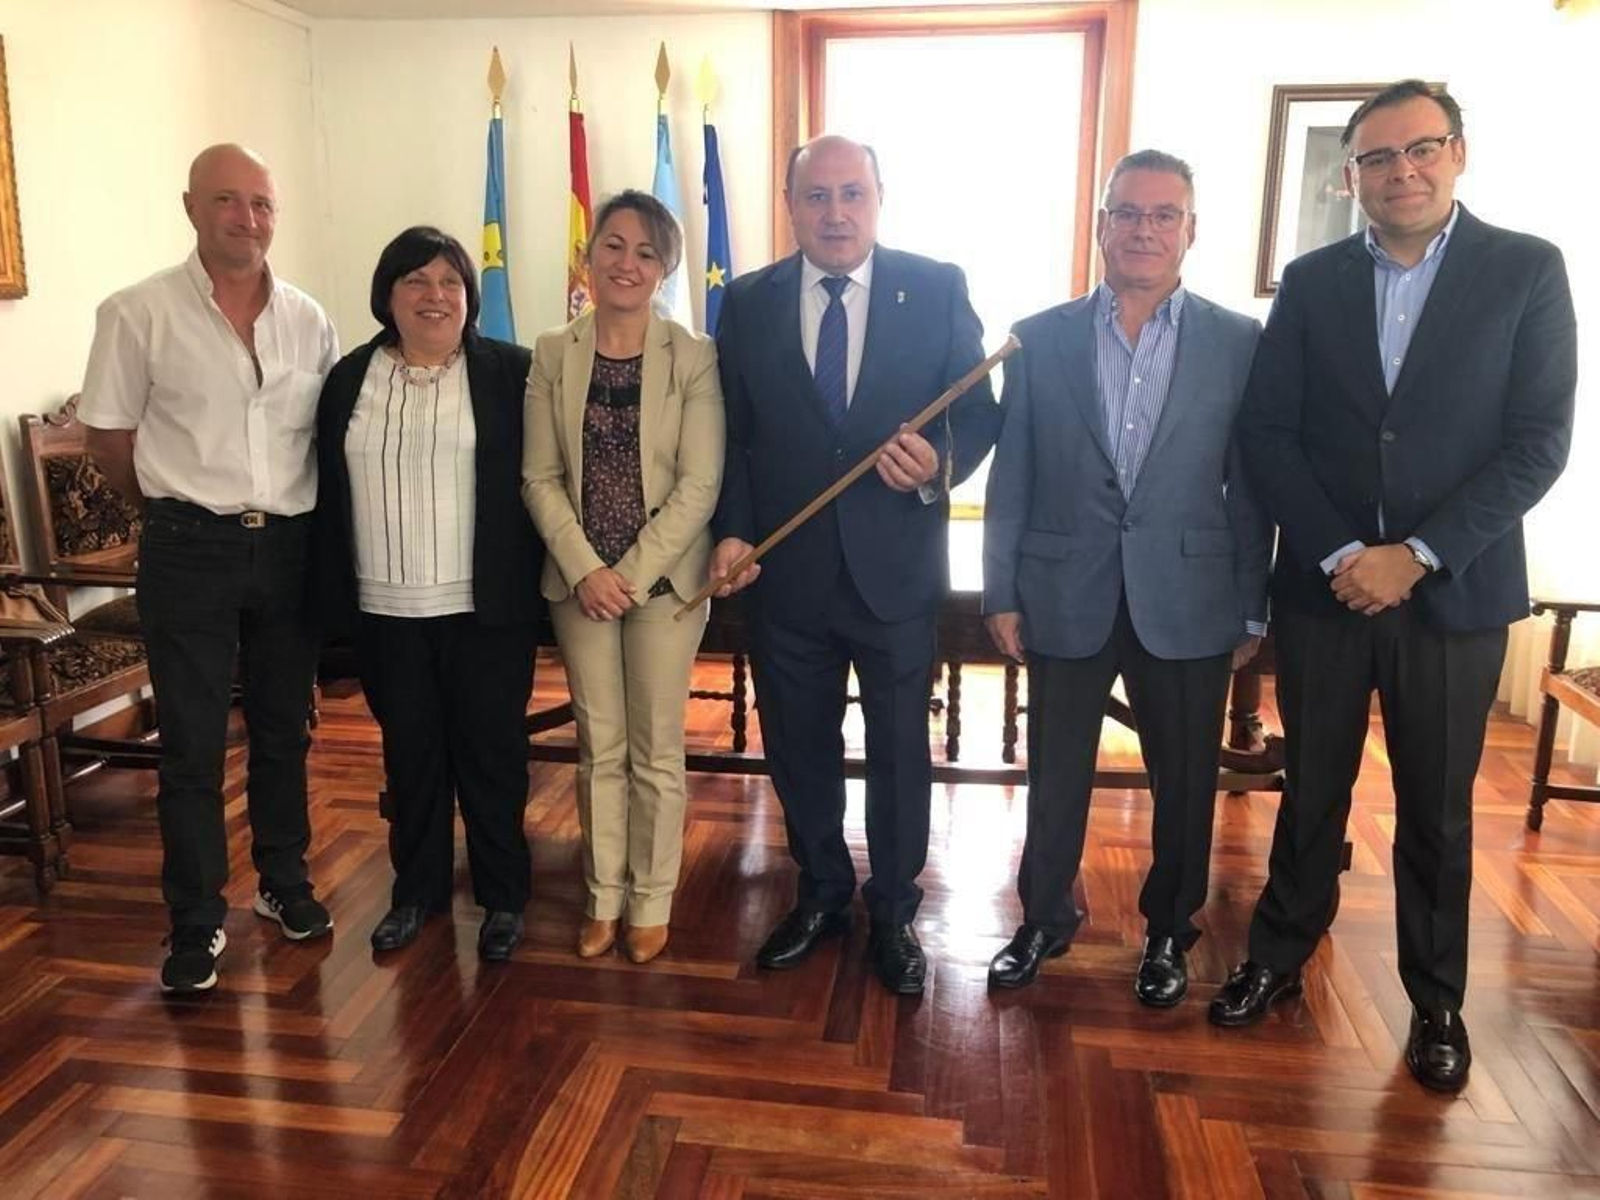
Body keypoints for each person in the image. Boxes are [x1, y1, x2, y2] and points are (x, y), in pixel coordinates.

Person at [1211, 81, 1577, 1093]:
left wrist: (1413, 554)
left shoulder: (1525, 270)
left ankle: (1435, 1003)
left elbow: (1536, 443)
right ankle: (1276, 959)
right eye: (1378, 157)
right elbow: (1269, 433)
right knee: (1309, 791)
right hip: (1323, 591)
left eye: (1420, 149)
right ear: (1351, 174)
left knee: (1436, 812)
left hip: (1452, 598)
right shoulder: (1312, 277)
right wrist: (1340, 553)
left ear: (1456, 154)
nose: (1400, 171)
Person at [711, 135, 1001, 995]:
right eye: (816, 196)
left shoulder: (937, 285)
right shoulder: (749, 302)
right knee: (797, 747)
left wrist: (940, 462)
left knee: (901, 753)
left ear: (879, 198)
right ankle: (821, 891)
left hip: (895, 571)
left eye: (851, 194)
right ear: (790, 204)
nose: (835, 213)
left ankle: (895, 910)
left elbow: (978, 413)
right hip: (786, 574)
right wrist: (730, 530)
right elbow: (732, 433)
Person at [982, 150, 1270, 1001]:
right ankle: (1042, 919)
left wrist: (1251, 602)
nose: (1144, 229)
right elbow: (1016, 472)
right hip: (1065, 588)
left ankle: (1169, 935)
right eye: (1128, 212)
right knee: (1054, 772)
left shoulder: (1239, 342)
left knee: (1184, 781)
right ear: (1102, 224)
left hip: (1190, 596)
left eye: (1164, 214)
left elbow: (1251, 486)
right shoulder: (1042, 336)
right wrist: (1001, 590)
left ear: (1190, 229)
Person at [80, 144, 339, 994]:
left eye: (262, 203)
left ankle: (284, 884)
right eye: (228, 201)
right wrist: (173, 509)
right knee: (190, 746)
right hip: (189, 546)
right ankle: (195, 920)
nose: (249, 219)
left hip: (290, 548)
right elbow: (109, 442)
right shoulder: (137, 312)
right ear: (191, 208)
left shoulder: (308, 318)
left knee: (282, 731)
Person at [313, 226, 544, 963]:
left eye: (450, 281)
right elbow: (322, 489)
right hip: (384, 607)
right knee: (410, 759)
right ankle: (415, 894)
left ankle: (504, 898)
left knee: (492, 757)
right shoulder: (349, 378)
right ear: (388, 294)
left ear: (470, 297)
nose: (434, 295)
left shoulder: (512, 373)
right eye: (416, 280)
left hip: (486, 608)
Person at [522, 191, 724, 965]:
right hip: (578, 584)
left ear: (666, 268)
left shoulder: (693, 356)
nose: (626, 263)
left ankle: (651, 898)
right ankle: (603, 896)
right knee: (597, 746)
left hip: (664, 584)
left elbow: (699, 485)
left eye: (645, 252)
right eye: (613, 245)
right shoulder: (551, 352)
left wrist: (629, 575)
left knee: (656, 749)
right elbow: (538, 476)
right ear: (588, 256)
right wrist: (586, 570)